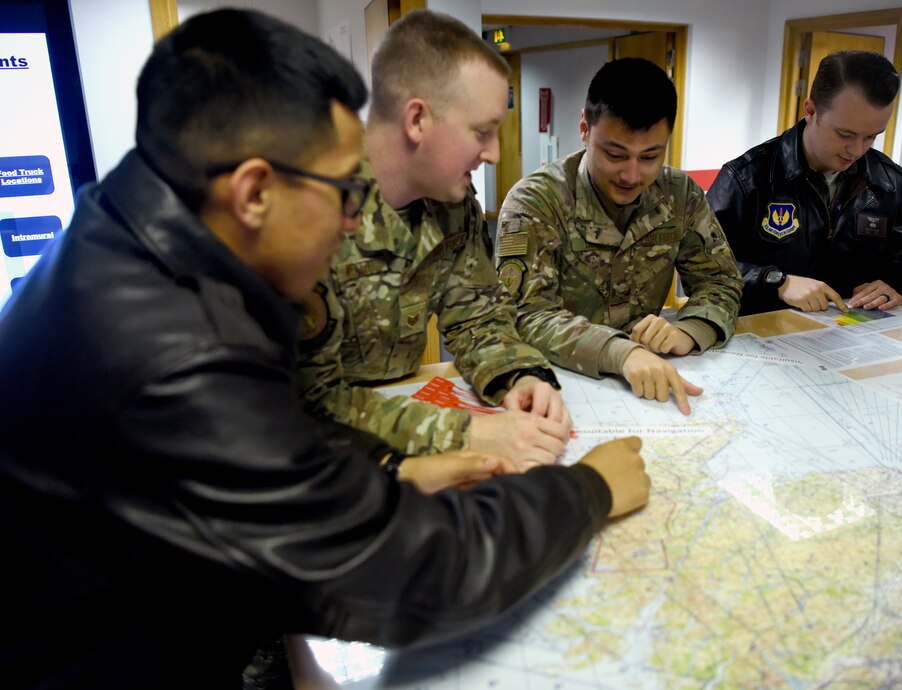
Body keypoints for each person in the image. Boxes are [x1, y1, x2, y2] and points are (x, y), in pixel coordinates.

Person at [0, 10, 650, 688]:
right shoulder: (176, 353)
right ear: (255, 191)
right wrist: (588, 490)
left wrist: (394, 472)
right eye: (342, 191)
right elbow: (407, 573)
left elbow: (274, 458)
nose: (352, 219)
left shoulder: (129, 232)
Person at [300, 10, 571, 472]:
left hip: (399, 416)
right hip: (321, 460)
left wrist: (519, 374)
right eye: (482, 132)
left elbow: (478, 315)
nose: (494, 154)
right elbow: (308, 397)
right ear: (417, 119)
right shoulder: (307, 206)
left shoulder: (453, 204)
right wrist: (465, 434)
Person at [496, 58, 743, 415]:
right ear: (585, 128)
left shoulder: (679, 194)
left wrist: (690, 330)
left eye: (650, 156)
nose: (631, 174)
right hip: (559, 384)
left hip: (649, 379)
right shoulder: (537, 200)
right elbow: (524, 314)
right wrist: (620, 352)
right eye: (615, 154)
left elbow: (721, 281)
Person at [707, 50, 902, 315]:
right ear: (810, 111)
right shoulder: (746, 178)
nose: (857, 150)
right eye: (845, 134)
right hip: (763, 333)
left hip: (850, 333)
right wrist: (776, 281)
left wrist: (896, 285)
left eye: (871, 137)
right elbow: (704, 268)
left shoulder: (889, 183)